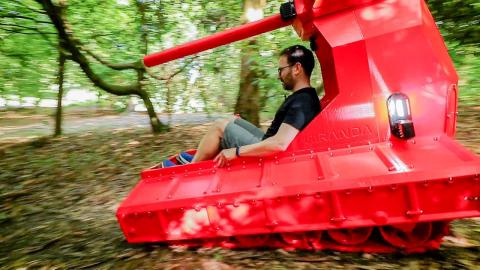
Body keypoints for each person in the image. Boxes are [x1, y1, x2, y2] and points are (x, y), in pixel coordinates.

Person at [174, 45, 321, 168]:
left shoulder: (303, 101)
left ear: (296, 68)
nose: (278, 76)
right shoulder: (304, 97)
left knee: (219, 126)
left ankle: (190, 168)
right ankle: (202, 158)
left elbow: (280, 143)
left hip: (270, 150)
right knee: (229, 120)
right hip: (266, 139)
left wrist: (236, 151)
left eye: (281, 70)